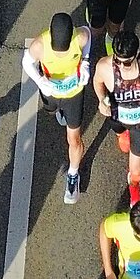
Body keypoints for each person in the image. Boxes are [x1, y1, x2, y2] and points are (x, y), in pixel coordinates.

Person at [24, 12, 92, 204]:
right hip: (51, 91)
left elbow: (87, 40)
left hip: (73, 94)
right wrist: (39, 80)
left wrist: (85, 62)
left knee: (74, 138)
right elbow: (26, 63)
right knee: (51, 111)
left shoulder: (80, 37)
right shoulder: (39, 45)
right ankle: (57, 112)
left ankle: (73, 174)